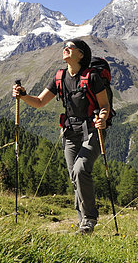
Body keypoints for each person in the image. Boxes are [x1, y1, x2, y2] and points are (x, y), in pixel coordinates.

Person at [12, 39, 110, 234]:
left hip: (92, 130)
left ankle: (89, 219)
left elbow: (105, 105)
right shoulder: (60, 77)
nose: (66, 48)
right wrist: (23, 96)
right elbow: (39, 102)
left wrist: (103, 118)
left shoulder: (91, 77)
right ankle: (83, 222)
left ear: (81, 54)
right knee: (75, 177)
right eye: (65, 46)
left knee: (81, 169)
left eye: (71, 47)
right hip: (70, 133)